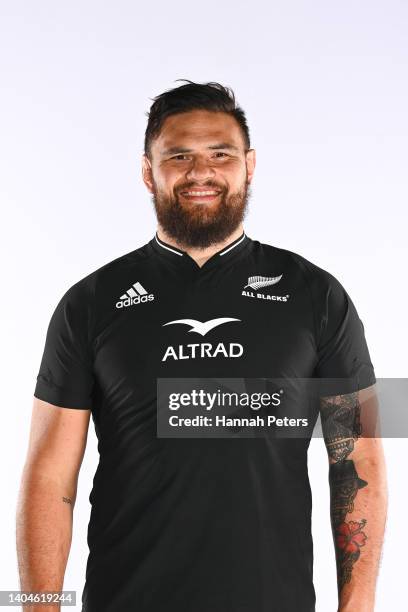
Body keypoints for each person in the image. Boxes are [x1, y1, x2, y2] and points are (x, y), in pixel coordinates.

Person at [17, 80, 387, 612]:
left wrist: (358, 607)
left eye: (221, 154)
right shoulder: (90, 303)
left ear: (249, 165)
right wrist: (37, 608)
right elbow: (49, 476)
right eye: (179, 156)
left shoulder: (317, 295)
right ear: (148, 170)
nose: (201, 172)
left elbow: (358, 460)